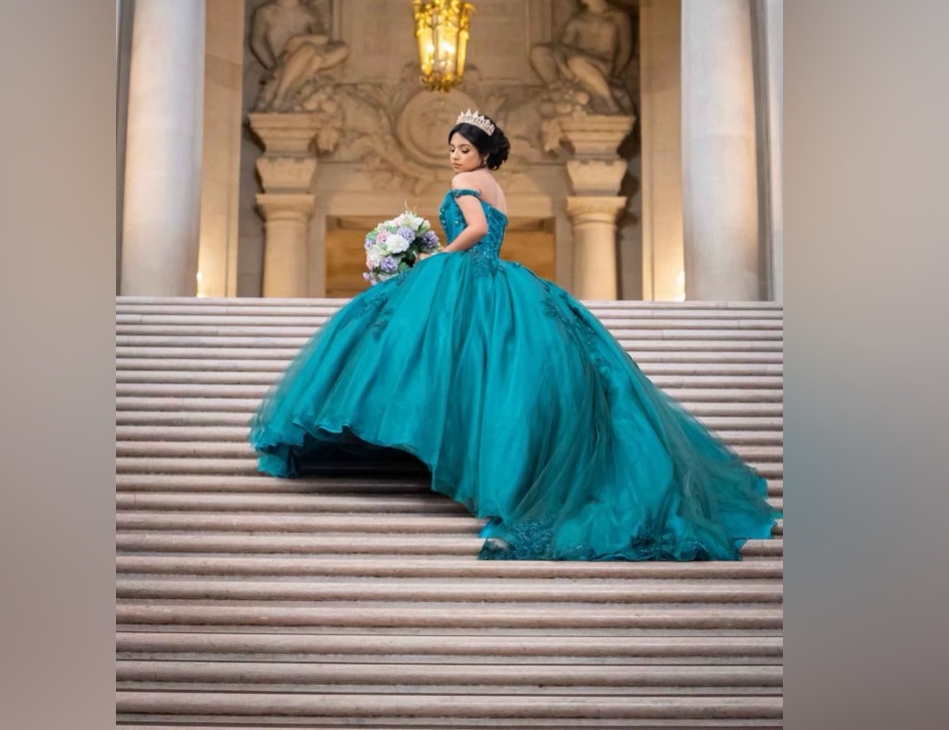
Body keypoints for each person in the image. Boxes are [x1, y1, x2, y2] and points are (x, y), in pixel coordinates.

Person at [249, 109, 779, 561]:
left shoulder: (463, 184)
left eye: (462, 148)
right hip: (501, 279)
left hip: (465, 275)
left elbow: (476, 230)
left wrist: (436, 255)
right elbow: (490, 226)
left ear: (480, 151)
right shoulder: (495, 184)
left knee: (415, 352)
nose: (455, 156)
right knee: (480, 369)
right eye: (452, 149)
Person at [529, 0, 634, 114]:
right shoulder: (578, 20)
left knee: (576, 62)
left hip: (603, 63)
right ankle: (558, 88)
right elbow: (563, 48)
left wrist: (615, 74)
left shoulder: (618, 17)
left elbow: (625, 49)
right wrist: (562, 66)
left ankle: (611, 102)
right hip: (576, 62)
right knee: (538, 51)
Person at [250, 0, 349, 111]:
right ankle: (280, 96)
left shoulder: (307, 13)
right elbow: (257, 42)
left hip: (307, 55)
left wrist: (299, 40)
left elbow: (324, 38)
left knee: (340, 49)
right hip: (282, 59)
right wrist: (272, 66)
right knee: (310, 51)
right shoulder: (266, 12)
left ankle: (291, 91)